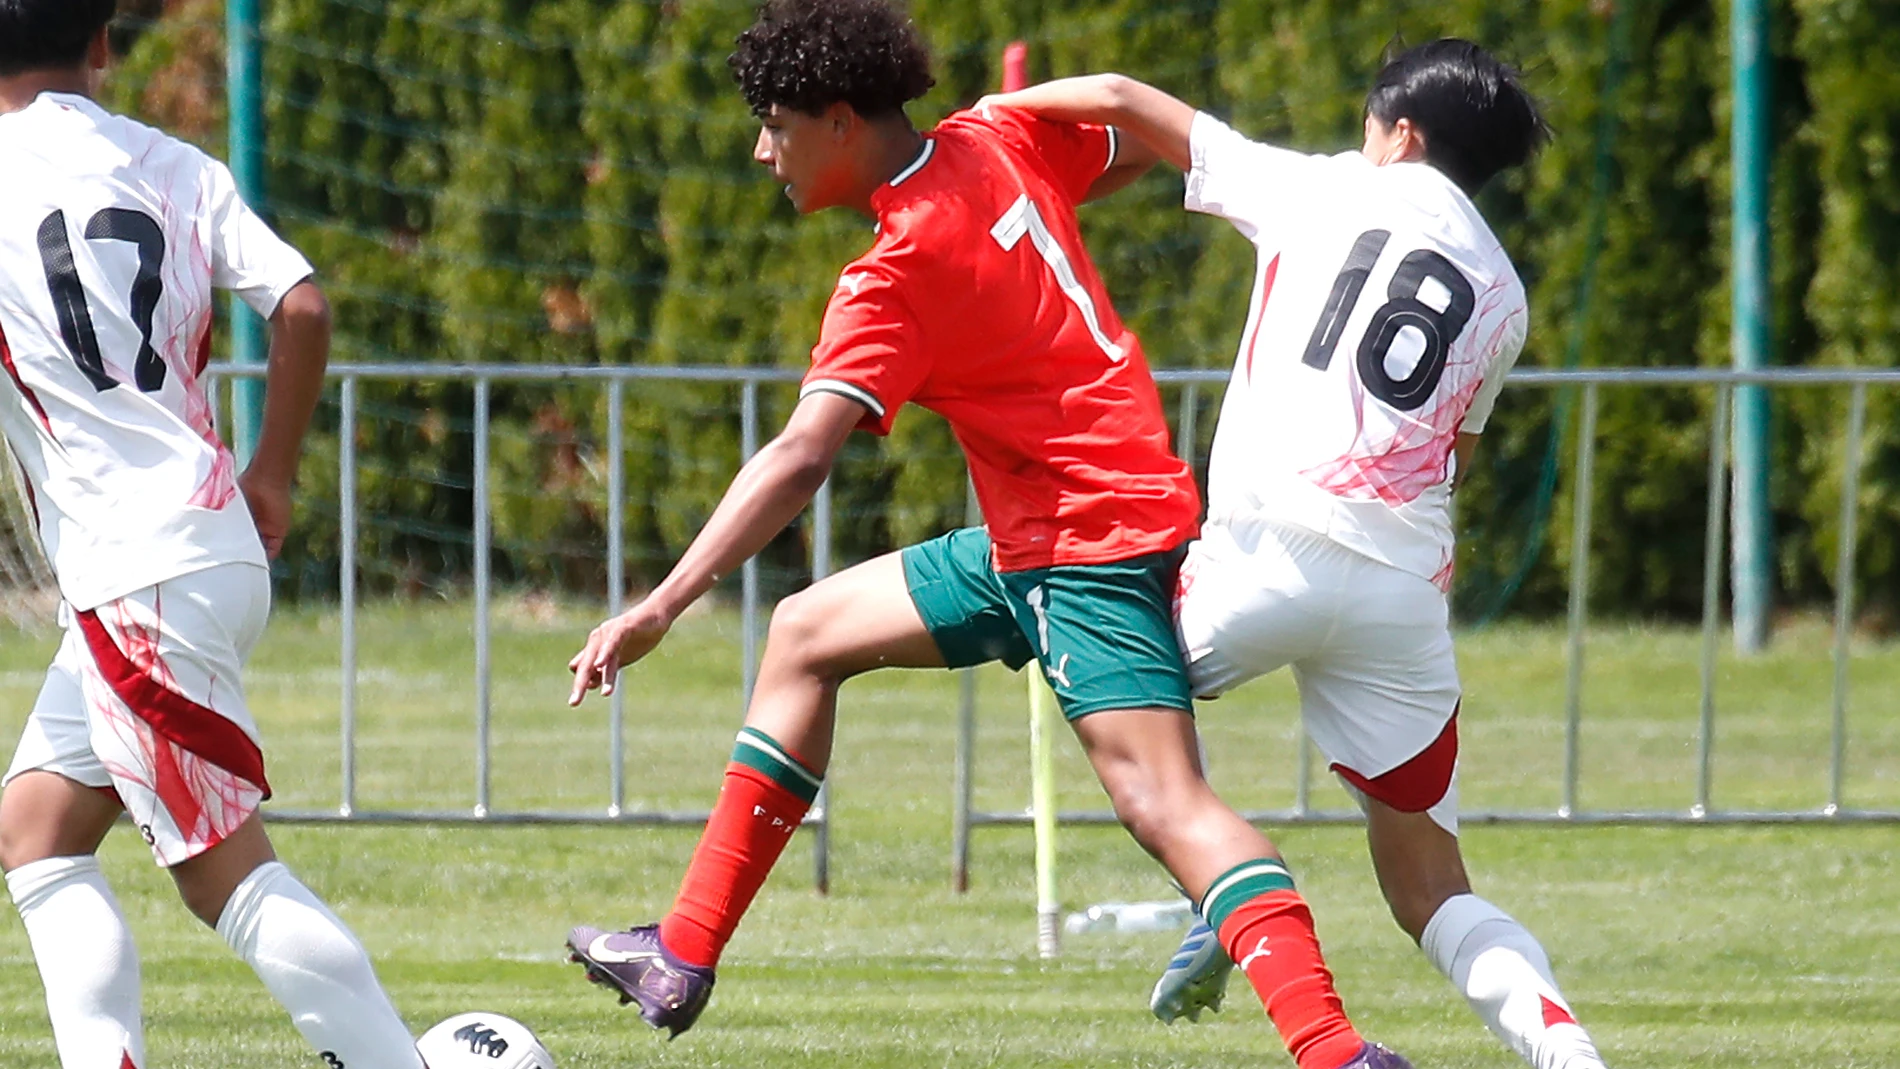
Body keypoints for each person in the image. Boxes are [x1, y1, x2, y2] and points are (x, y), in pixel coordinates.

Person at [564, 2, 1407, 1067]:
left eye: (775, 124)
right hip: (1051, 534)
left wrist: (659, 603)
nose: (759, 149)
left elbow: (799, 455)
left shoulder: (894, 272)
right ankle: (679, 953)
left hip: (1080, 546)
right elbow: (1136, 143)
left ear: (837, 119)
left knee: (1167, 806)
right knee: (804, 633)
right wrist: (1029, 154)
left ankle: (1334, 1050)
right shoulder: (992, 142)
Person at [979, 40, 1613, 1069]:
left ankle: (1229, 887)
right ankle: (1570, 1057)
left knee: (1130, 715)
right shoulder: (1504, 293)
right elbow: (1454, 444)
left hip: (1260, 558)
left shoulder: (1321, 189)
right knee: (1431, 891)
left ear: (1399, 135)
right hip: (1399, 595)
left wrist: (976, 126)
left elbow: (1117, 96)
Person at [0, 4, 425, 1067]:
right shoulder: (173, 165)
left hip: (135, 571)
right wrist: (271, 474)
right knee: (36, 836)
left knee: (224, 879)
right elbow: (302, 307)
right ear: (101, 43)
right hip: (202, 541)